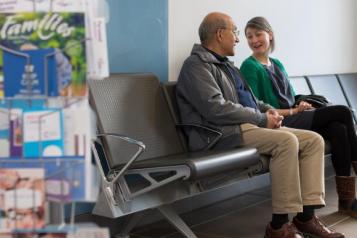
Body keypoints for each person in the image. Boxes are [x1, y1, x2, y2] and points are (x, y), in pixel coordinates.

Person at [175, 12, 344, 238]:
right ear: (219, 34)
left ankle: (306, 218)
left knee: (313, 141)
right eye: (235, 32)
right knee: (287, 141)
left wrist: (269, 111)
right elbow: (216, 108)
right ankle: (278, 227)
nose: (237, 39)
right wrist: (262, 119)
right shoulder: (196, 65)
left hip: (245, 127)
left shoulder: (228, 67)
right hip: (220, 134)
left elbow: (252, 102)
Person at [240, 16, 357, 220]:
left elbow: (290, 97)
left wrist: (300, 105)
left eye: (258, 34)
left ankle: (346, 201)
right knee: (344, 111)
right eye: (249, 36)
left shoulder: (276, 63)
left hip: (295, 115)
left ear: (270, 35)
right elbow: (257, 107)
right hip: (281, 122)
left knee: (339, 128)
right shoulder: (249, 66)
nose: (254, 40)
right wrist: (294, 111)